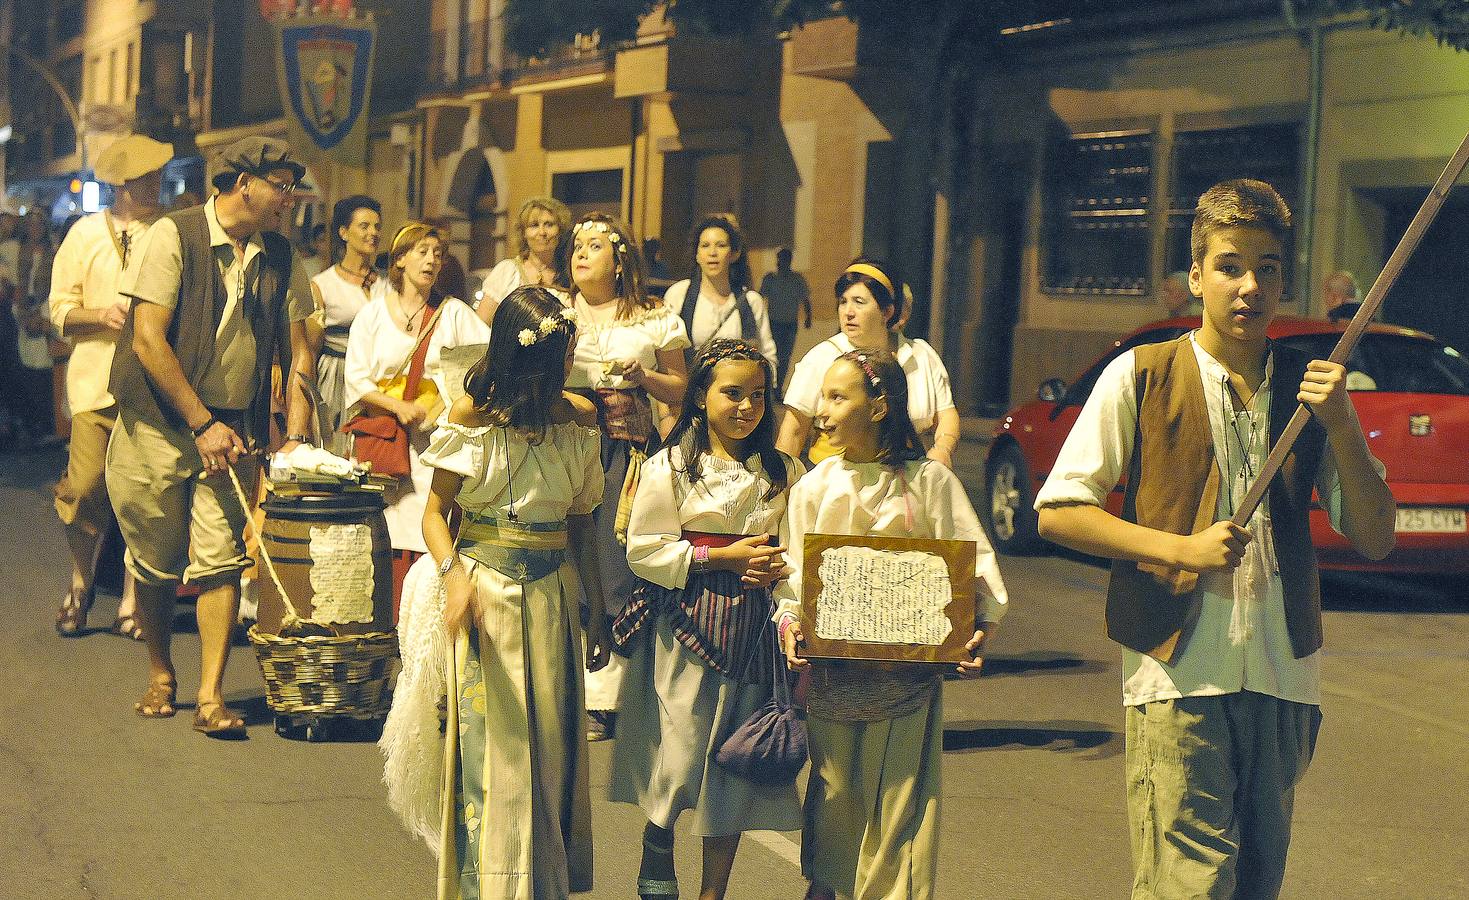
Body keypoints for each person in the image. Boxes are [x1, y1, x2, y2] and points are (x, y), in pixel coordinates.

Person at [1034, 179, 1396, 899]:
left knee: (1255, 885)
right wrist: (1177, 549)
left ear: (1283, 281)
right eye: (1230, 265)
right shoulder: (1139, 376)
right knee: (1188, 887)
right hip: (1175, 679)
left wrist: (1344, 427)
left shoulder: (1309, 390)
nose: (1248, 286)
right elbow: (1058, 511)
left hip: (1282, 680)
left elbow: (1376, 536)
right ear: (1195, 274)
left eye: (1266, 268)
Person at [381, 286, 610, 898]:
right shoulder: (469, 416)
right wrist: (455, 574)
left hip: (554, 594)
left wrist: (598, 606)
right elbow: (435, 516)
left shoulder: (579, 420)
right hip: (490, 597)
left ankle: (544, 884)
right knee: (496, 755)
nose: (560, 373)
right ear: (518, 358)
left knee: (552, 750)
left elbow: (583, 521)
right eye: (550, 360)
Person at [776, 349, 1008, 900]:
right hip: (835, 682)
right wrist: (789, 624)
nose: (823, 412)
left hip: (907, 685)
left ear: (879, 407)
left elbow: (974, 567)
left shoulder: (930, 483)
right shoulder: (814, 486)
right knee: (834, 810)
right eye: (823, 397)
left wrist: (977, 629)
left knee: (900, 821)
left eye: (839, 397)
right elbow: (792, 576)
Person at [106, 135, 318, 738]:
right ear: (242, 183)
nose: (290, 198)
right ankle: (159, 673)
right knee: (153, 561)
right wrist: (201, 422)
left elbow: (303, 341)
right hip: (159, 423)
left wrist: (293, 429)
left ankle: (209, 695)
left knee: (221, 561)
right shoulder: (172, 235)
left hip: (233, 428)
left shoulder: (279, 254)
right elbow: (148, 339)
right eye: (281, 185)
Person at [609, 339, 803, 900]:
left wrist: (784, 602)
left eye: (758, 396)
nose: (746, 407)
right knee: (680, 752)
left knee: (732, 769)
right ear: (699, 397)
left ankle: (712, 892)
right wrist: (719, 557)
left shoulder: (783, 472)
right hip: (686, 623)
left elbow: (794, 554)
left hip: (754, 631)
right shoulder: (669, 466)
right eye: (732, 393)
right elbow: (644, 549)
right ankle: (658, 840)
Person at [566, 212, 690, 739]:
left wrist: (646, 377)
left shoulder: (652, 316)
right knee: (568, 561)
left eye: (594, 245)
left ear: (619, 260)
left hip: (624, 450)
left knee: (615, 564)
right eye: (576, 245)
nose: (581, 253)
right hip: (565, 442)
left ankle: (609, 696)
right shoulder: (553, 310)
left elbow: (681, 388)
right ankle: (566, 687)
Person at [50, 133, 173, 640]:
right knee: (83, 488)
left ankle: (130, 601)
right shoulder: (83, 234)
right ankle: (81, 582)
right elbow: (58, 309)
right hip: (93, 385)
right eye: (151, 179)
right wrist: (101, 314)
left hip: (148, 388)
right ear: (125, 185)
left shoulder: (167, 232)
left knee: (139, 500)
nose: (160, 186)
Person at [343, 222, 489, 609]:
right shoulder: (372, 315)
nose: (431, 260)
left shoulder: (453, 313)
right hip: (386, 440)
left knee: (432, 518)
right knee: (387, 525)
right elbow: (356, 379)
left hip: (435, 439)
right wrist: (397, 406)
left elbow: (483, 359)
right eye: (423, 251)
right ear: (401, 258)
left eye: (438, 254)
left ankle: (426, 608)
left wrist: (446, 403)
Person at [777, 258, 960, 468]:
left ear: (887, 312)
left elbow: (946, 414)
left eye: (859, 302)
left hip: (905, 478)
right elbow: (794, 430)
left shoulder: (920, 355)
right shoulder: (823, 357)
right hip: (836, 484)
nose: (848, 312)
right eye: (843, 302)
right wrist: (781, 484)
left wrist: (943, 449)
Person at [662, 215, 777, 372]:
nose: (712, 252)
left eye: (721, 245)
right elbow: (664, 350)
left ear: (734, 254)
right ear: (696, 254)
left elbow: (767, 354)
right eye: (705, 245)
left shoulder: (750, 301)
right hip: (691, 392)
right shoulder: (679, 294)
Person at [311, 194, 380, 449]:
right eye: (364, 226)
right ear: (343, 232)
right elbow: (311, 348)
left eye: (377, 226)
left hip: (376, 378)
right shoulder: (324, 284)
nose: (373, 233)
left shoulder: (387, 284)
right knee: (337, 449)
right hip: (336, 375)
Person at [478, 195, 572, 324]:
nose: (542, 232)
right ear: (523, 233)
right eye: (534, 225)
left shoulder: (569, 273)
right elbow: (481, 325)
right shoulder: (508, 272)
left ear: (560, 230)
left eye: (549, 224)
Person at [13, 211, 59, 445]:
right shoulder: (17, 250)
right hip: (23, 309)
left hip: (44, 308)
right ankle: (32, 422)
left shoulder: (53, 250)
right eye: (31, 224)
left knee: (43, 368)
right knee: (26, 366)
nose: (35, 229)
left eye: (39, 224)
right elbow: (16, 281)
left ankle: (46, 424)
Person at [759, 247, 811, 388]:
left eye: (786, 258)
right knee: (771, 356)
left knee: (785, 358)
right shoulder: (770, 279)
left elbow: (805, 299)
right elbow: (760, 299)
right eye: (781, 258)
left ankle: (778, 388)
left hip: (790, 324)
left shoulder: (797, 280)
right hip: (773, 323)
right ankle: (768, 387)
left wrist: (808, 318)